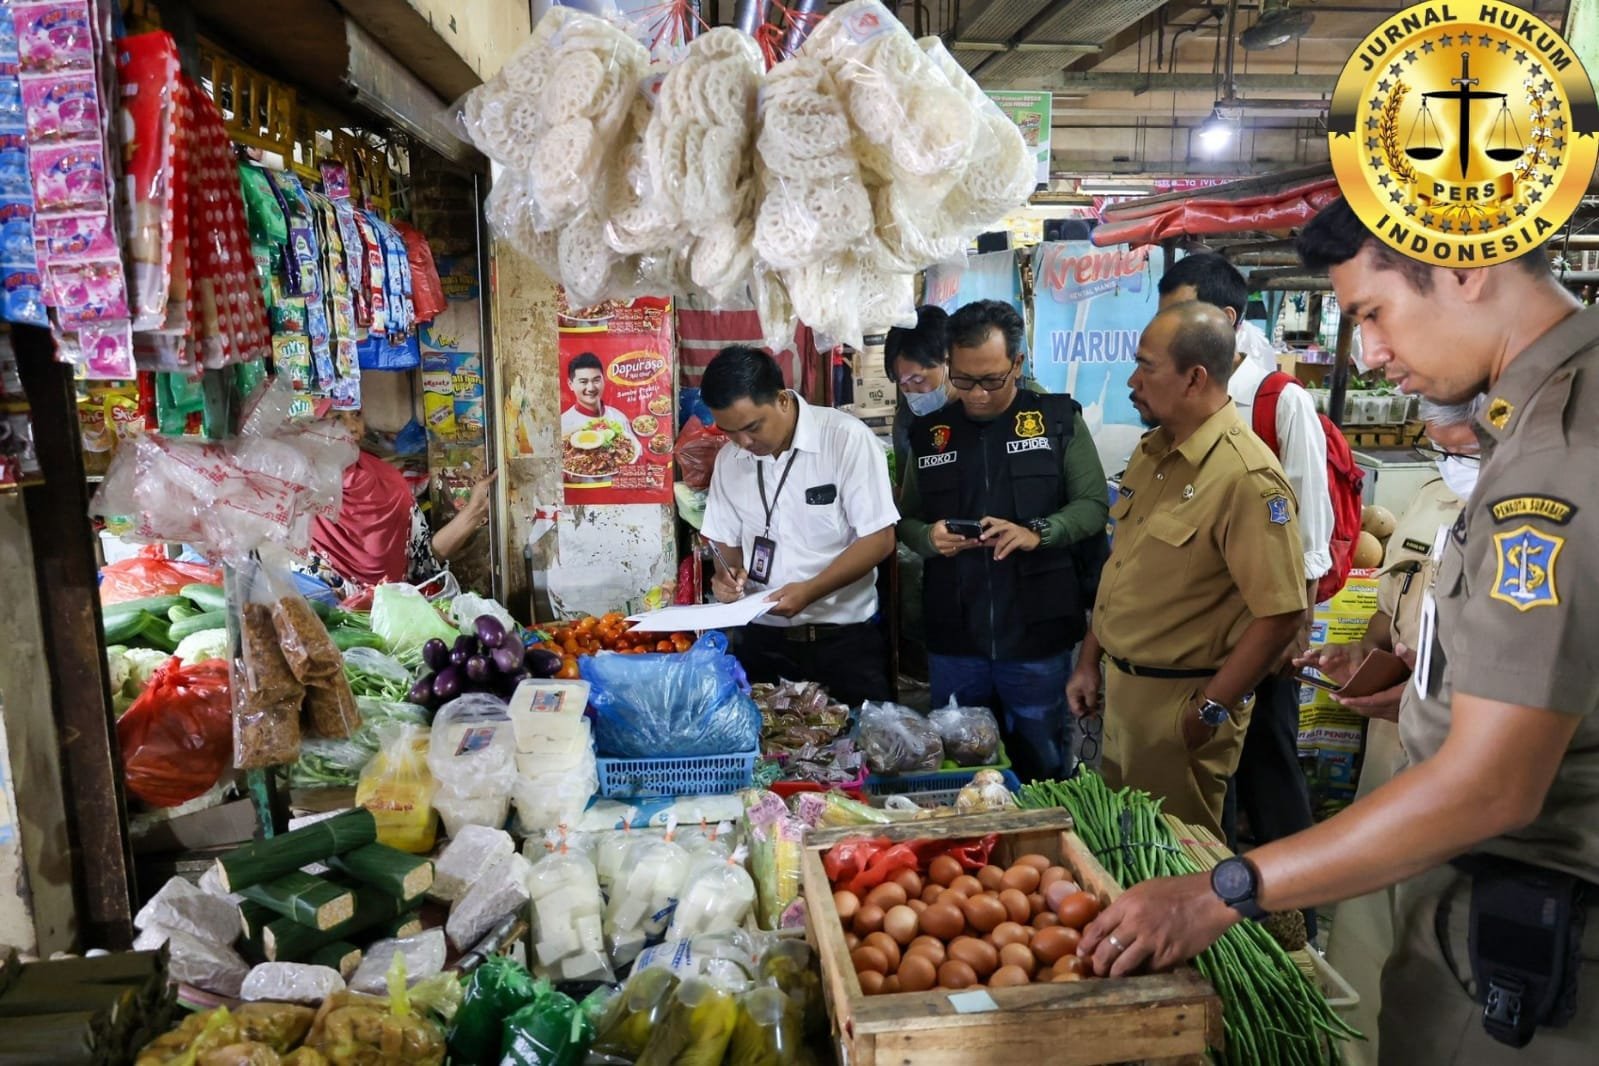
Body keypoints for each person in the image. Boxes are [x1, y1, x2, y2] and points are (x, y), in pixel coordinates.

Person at [1074, 198, 1599, 1066]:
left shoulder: (1556, 459)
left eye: (1372, 315)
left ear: (1465, 275)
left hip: (1531, 924)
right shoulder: (1534, 423)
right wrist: (1433, 678)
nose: (1375, 353)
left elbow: (1493, 788)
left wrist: (1226, 888)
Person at [1065, 301, 1307, 837]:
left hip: (1180, 708)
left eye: (1147, 367)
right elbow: (1123, 570)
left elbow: (1282, 614)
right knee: (1124, 850)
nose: (1132, 381)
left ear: (1195, 377)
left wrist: (1209, 712)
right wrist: (1089, 659)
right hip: (1121, 694)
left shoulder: (1245, 477)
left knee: (1178, 868)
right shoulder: (1152, 454)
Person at [1306, 396, 1481, 1066]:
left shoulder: (1548, 515)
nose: (1444, 456)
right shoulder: (1432, 498)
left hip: (1463, 760)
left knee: (1438, 939)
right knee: (1365, 925)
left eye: (1457, 443)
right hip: (1390, 749)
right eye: (1434, 442)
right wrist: (1363, 658)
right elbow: (1390, 610)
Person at [1157, 254, 1329, 870]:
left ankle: (1295, 917)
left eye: (1178, 311)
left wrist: (1297, 625)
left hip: (1264, 622)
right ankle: (1222, 896)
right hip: (1203, 631)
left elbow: (1312, 515)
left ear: (1224, 319)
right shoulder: (1181, 399)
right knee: (1214, 771)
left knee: (1269, 757)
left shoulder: (1280, 399)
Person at [897, 299, 1109, 783]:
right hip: (955, 637)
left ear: (1016, 363)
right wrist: (928, 538)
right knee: (959, 769)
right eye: (964, 378)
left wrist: (1038, 532)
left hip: (1036, 636)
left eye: (991, 379)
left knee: (1041, 763)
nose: (976, 394)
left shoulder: (1056, 422)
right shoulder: (931, 435)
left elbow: (1093, 505)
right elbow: (904, 519)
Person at [700, 345, 898, 707]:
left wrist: (810, 591)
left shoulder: (844, 439)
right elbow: (725, 543)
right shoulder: (731, 460)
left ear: (782, 400)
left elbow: (879, 538)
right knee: (771, 756)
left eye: (752, 427)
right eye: (729, 432)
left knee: (858, 752)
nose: (743, 442)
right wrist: (725, 577)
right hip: (762, 643)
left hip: (843, 642)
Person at [304, 410, 495, 590]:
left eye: (356, 414)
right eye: (337, 417)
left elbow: (423, 560)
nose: (353, 427)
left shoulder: (388, 482)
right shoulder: (294, 496)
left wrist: (474, 511)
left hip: (392, 619)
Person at [885, 304, 954, 488]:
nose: (912, 393)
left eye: (917, 380)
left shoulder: (980, 405)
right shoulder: (905, 422)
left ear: (947, 360)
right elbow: (908, 495)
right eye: (902, 384)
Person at [561, 352, 643, 453]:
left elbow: (637, 452)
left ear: (603, 380)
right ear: (570, 384)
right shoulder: (563, 423)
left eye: (596, 380)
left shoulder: (618, 417)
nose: (591, 388)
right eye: (583, 382)